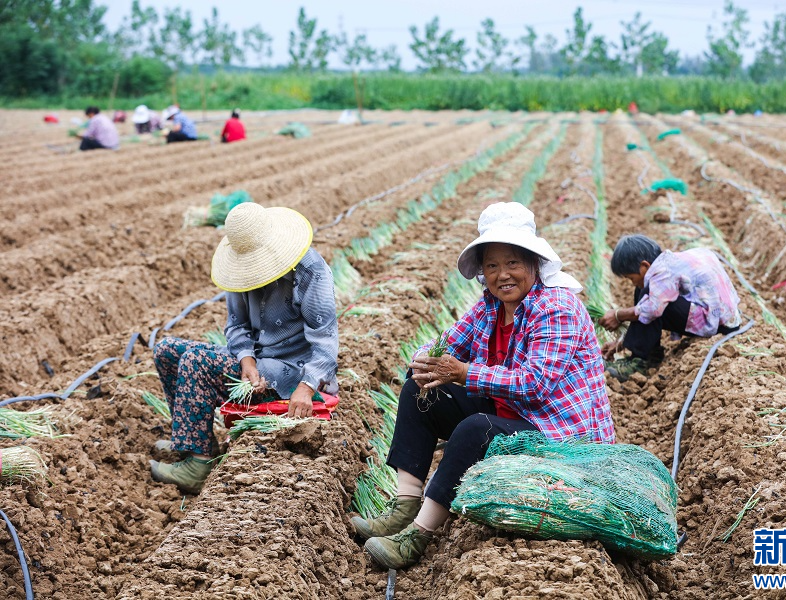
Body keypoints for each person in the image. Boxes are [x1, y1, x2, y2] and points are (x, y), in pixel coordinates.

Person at [352, 202, 615, 570]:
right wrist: (426, 362)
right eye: (492, 265)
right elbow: (448, 342)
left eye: (512, 263)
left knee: (476, 429)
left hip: (558, 431)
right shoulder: (490, 305)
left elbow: (534, 385)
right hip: (513, 412)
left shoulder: (557, 307)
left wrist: (462, 372)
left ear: (533, 264)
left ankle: (418, 536)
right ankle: (403, 507)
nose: (502, 274)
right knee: (420, 392)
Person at [149, 202, 339, 495]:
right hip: (258, 364)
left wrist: (307, 385)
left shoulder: (309, 270)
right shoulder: (241, 273)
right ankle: (190, 441)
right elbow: (236, 324)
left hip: (290, 372)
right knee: (167, 350)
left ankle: (197, 466)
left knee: (197, 361)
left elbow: (325, 337)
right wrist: (247, 362)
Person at [598, 234, 741, 381]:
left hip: (716, 324)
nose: (632, 283)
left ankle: (641, 362)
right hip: (727, 318)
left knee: (647, 293)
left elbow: (651, 309)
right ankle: (650, 354)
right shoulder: (672, 261)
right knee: (645, 291)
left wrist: (618, 315)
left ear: (644, 266)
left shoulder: (663, 273)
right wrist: (622, 341)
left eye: (630, 278)